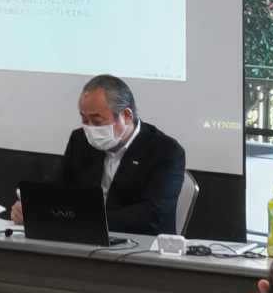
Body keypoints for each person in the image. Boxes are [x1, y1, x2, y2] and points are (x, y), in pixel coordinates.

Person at [10, 74, 186, 235]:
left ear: (126, 116)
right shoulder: (80, 141)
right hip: (83, 238)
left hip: (141, 244)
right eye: (84, 119)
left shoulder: (166, 151)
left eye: (97, 120)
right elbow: (54, 188)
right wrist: (32, 207)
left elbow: (152, 213)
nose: (90, 128)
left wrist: (88, 221)